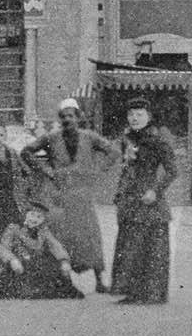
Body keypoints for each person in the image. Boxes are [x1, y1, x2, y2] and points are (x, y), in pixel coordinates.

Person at [21, 97, 118, 293]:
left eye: (71, 116)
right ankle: (63, 279)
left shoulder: (89, 137)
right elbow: (26, 152)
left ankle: (99, 279)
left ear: (78, 117)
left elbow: (113, 151)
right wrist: (46, 171)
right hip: (60, 195)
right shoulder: (51, 138)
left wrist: (98, 169)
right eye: (64, 116)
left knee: (91, 237)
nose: (67, 120)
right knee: (62, 236)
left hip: (83, 195)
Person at [111, 97, 177, 305]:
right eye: (131, 114)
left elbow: (172, 171)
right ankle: (133, 292)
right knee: (130, 247)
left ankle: (153, 294)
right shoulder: (127, 140)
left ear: (149, 117)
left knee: (152, 248)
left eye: (139, 114)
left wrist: (156, 191)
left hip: (150, 202)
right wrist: (120, 194)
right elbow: (126, 169)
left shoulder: (157, 141)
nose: (134, 118)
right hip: (130, 201)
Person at [0, 200, 82, 299]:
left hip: (36, 263)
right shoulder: (14, 228)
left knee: (52, 272)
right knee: (11, 279)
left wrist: (64, 260)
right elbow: (2, 247)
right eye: (32, 215)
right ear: (25, 215)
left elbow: (55, 245)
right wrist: (12, 259)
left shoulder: (43, 231)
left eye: (39, 217)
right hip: (18, 262)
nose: (34, 219)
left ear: (43, 220)